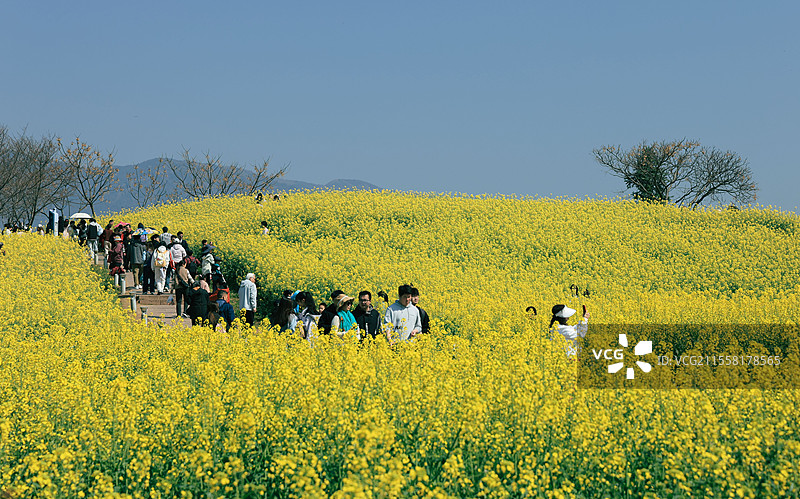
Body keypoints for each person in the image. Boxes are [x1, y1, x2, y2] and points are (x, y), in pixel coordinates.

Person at [129, 224, 147, 289]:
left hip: (134, 260)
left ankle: (136, 284)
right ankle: (140, 283)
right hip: (141, 260)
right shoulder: (142, 245)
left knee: (135, 272)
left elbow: (129, 253)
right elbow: (144, 252)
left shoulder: (132, 245)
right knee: (141, 273)